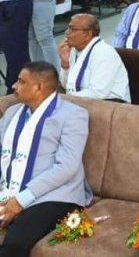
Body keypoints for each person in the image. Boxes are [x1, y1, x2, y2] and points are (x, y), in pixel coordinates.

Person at [0, 62, 92, 257]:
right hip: (9, 188)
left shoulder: (73, 116)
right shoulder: (11, 113)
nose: (14, 86)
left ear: (39, 87)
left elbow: (67, 167)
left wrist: (21, 199)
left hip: (54, 195)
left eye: (21, 81)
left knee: (15, 243)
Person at [58, 14, 131, 102]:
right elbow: (67, 87)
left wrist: (66, 99)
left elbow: (98, 93)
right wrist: (65, 64)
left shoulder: (104, 52)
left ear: (88, 35)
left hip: (111, 104)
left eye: (72, 29)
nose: (66, 32)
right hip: (83, 101)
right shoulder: (74, 50)